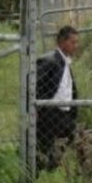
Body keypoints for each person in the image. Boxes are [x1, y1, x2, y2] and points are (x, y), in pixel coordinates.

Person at [35, 25, 81, 172]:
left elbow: (67, 89)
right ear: (62, 42)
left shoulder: (64, 62)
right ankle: (35, 167)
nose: (76, 46)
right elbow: (36, 85)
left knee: (77, 138)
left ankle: (50, 161)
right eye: (73, 42)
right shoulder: (51, 61)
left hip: (64, 115)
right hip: (50, 114)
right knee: (42, 150)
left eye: (76, 42)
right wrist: (37, 107)